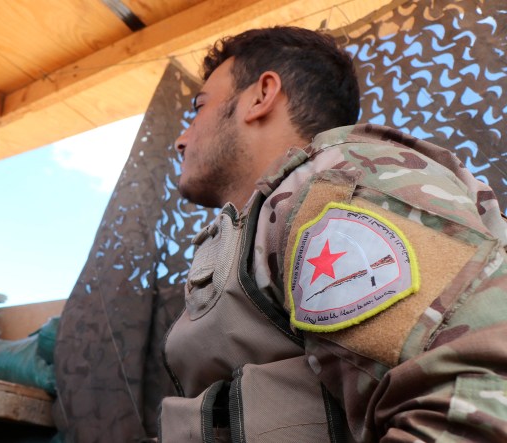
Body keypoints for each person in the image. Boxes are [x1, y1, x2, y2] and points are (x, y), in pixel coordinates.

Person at [159, 26, 507, 442]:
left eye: (199, 107)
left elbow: (475, 402)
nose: (182, 139)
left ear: (260, 95)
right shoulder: (274, 220)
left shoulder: (332, 190)